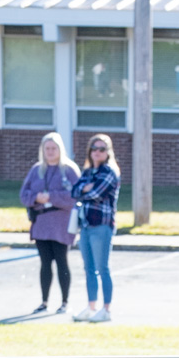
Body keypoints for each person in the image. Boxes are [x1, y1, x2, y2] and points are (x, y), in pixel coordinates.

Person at [20, 133, 78, 314]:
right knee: (45, 264)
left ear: (60, 149)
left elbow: (75, 197)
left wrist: (52, 197)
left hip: (61, 225)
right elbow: (24, 195)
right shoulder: (36, 170)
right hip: (41, 225)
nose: (51, 152)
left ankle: (64, 302)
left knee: (62, 262)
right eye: (47, 149)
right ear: (43, 150)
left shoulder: (69, 170)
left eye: (54, 148)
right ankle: (44, 302)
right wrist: (36, 197)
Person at [71, 135, 120, 322]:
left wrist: (85, 190)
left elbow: (95, 193)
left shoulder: (110, 172)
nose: (97, 152)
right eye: (94, 148)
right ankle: (91, 307)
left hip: (102, 225)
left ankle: (106, 310)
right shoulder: (88, 172)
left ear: (108, 152)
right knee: (89, 268)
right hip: (85, 225)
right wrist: (84, 189)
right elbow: (74, 192)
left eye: (102, 149)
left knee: (103, 267)